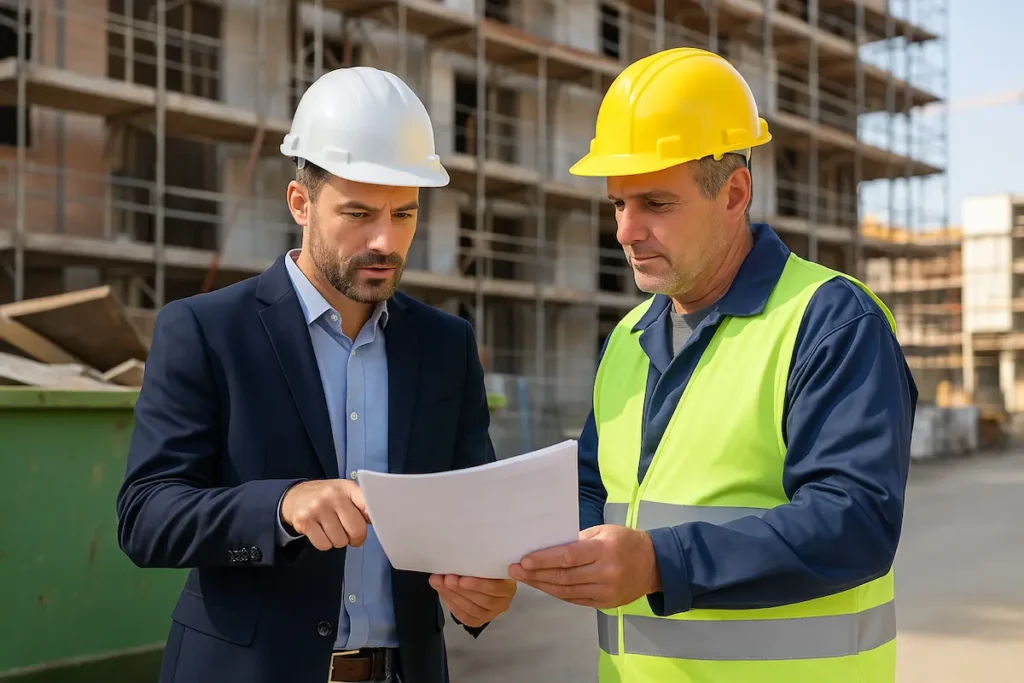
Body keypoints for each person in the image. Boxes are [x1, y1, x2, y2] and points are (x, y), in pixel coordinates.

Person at [509, 48, 916, 683]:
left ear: (734, 192)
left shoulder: (830, 321)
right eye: (618, 204)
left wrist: (659, 563)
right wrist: (498, 552)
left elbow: (854, 522)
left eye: (655, 204)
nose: (626, 230)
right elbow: (595, 493)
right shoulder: (628, 336)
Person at [116, 66, 516, 683]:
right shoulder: (205, 330)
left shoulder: (446, 345)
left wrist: (486, 587)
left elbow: (471, 516)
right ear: (300, 202)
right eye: (358, 213)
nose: (385, 240)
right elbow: (147, 517)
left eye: (404, 214)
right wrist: (282, 505)